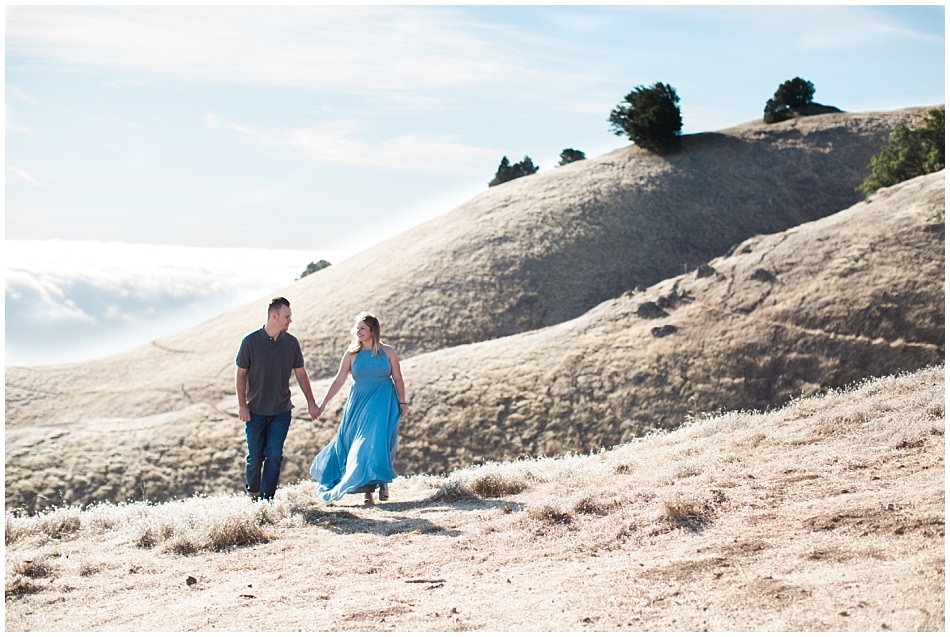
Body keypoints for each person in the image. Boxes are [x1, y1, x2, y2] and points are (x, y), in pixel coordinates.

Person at [310, 311, 409, 505]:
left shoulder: (387, 352)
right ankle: (367, 492)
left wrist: (402, 401)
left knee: (380, 443)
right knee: (359, 445)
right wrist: (322, 404)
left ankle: (383, 483)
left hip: (384, 402)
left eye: (362, 328)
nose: (358, 331)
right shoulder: (351, 354)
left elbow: (397, 378)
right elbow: (339, 381)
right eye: (357, 327)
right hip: (359, 405)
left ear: (373, 331)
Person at [236, 297, 320, 501]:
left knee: (274, 455)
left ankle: (267, 500)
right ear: (274, 316)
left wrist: (311, 402)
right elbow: (240, 374)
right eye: (287, 316)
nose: (290, 320)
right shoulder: (250, 342)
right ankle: (253, 493)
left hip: (281, 411)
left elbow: (301, 373)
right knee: (255, 457)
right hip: (255, 411)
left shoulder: (291, 343)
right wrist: (242, 405)